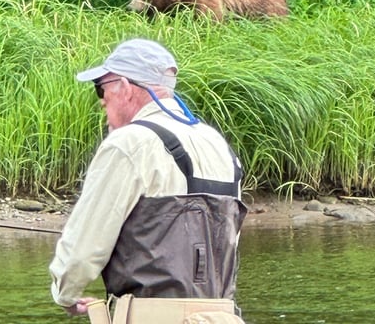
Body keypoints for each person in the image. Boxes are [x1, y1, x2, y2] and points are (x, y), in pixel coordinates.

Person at [49, 38, 247, 323]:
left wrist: (65, 293)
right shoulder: (218, 144)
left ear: (125, 87)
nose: (102, 100)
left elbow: (83, 248)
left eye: (101, 88)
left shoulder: (128, 143)